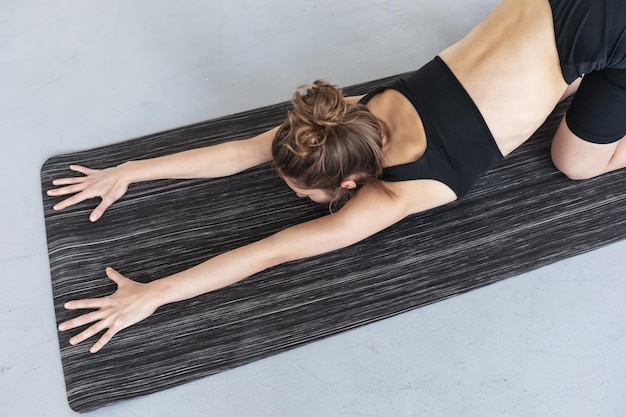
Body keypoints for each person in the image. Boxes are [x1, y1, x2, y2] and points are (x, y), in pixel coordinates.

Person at [48, 0, 626, 353]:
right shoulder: (350, 118)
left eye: (304, 193)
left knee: (576, 163)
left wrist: (155, 294)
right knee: (564, 85)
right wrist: (133, 170)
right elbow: (243, 149)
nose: (296, 197)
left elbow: (271, 252)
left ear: (351, 186)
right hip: (561, 9)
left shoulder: (403, 190)